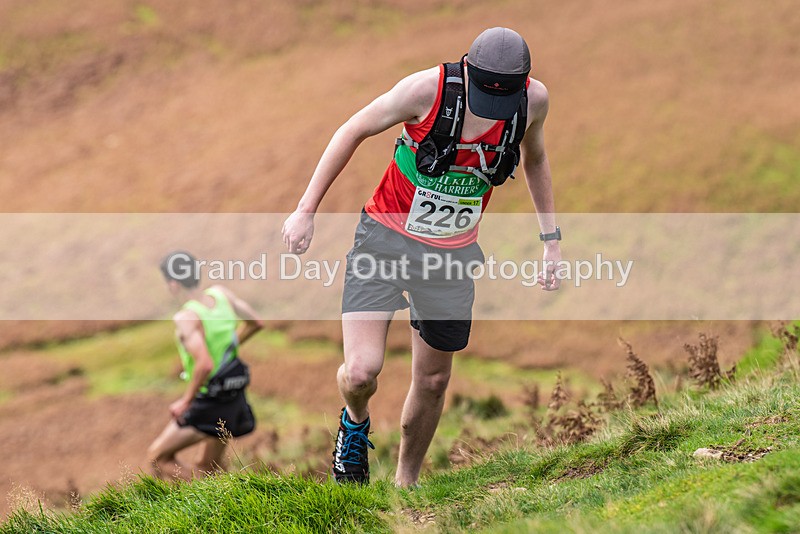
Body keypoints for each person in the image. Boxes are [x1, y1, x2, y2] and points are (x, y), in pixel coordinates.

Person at [281, 27, 561, 486]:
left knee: (432, 381)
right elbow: (352, 129)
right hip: (384, 240)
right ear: (467, 71)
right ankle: (354, 422)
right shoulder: (425, 90)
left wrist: (551, 241)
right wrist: (305, 210)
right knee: (361, 371)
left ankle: (405, 486)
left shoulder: (533, 101)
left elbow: (535, 159)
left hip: (451, 259)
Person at [147, 251, 263, 481]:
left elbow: (204, 365)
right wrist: (227, 351)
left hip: (209, 401)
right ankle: (219, 496)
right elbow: (255, 322)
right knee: (208, 468)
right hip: (233, 396)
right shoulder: (220, 295)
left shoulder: (187, 317)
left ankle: (209, 492)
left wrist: (185, 401)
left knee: (157, 459)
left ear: (172, 285)